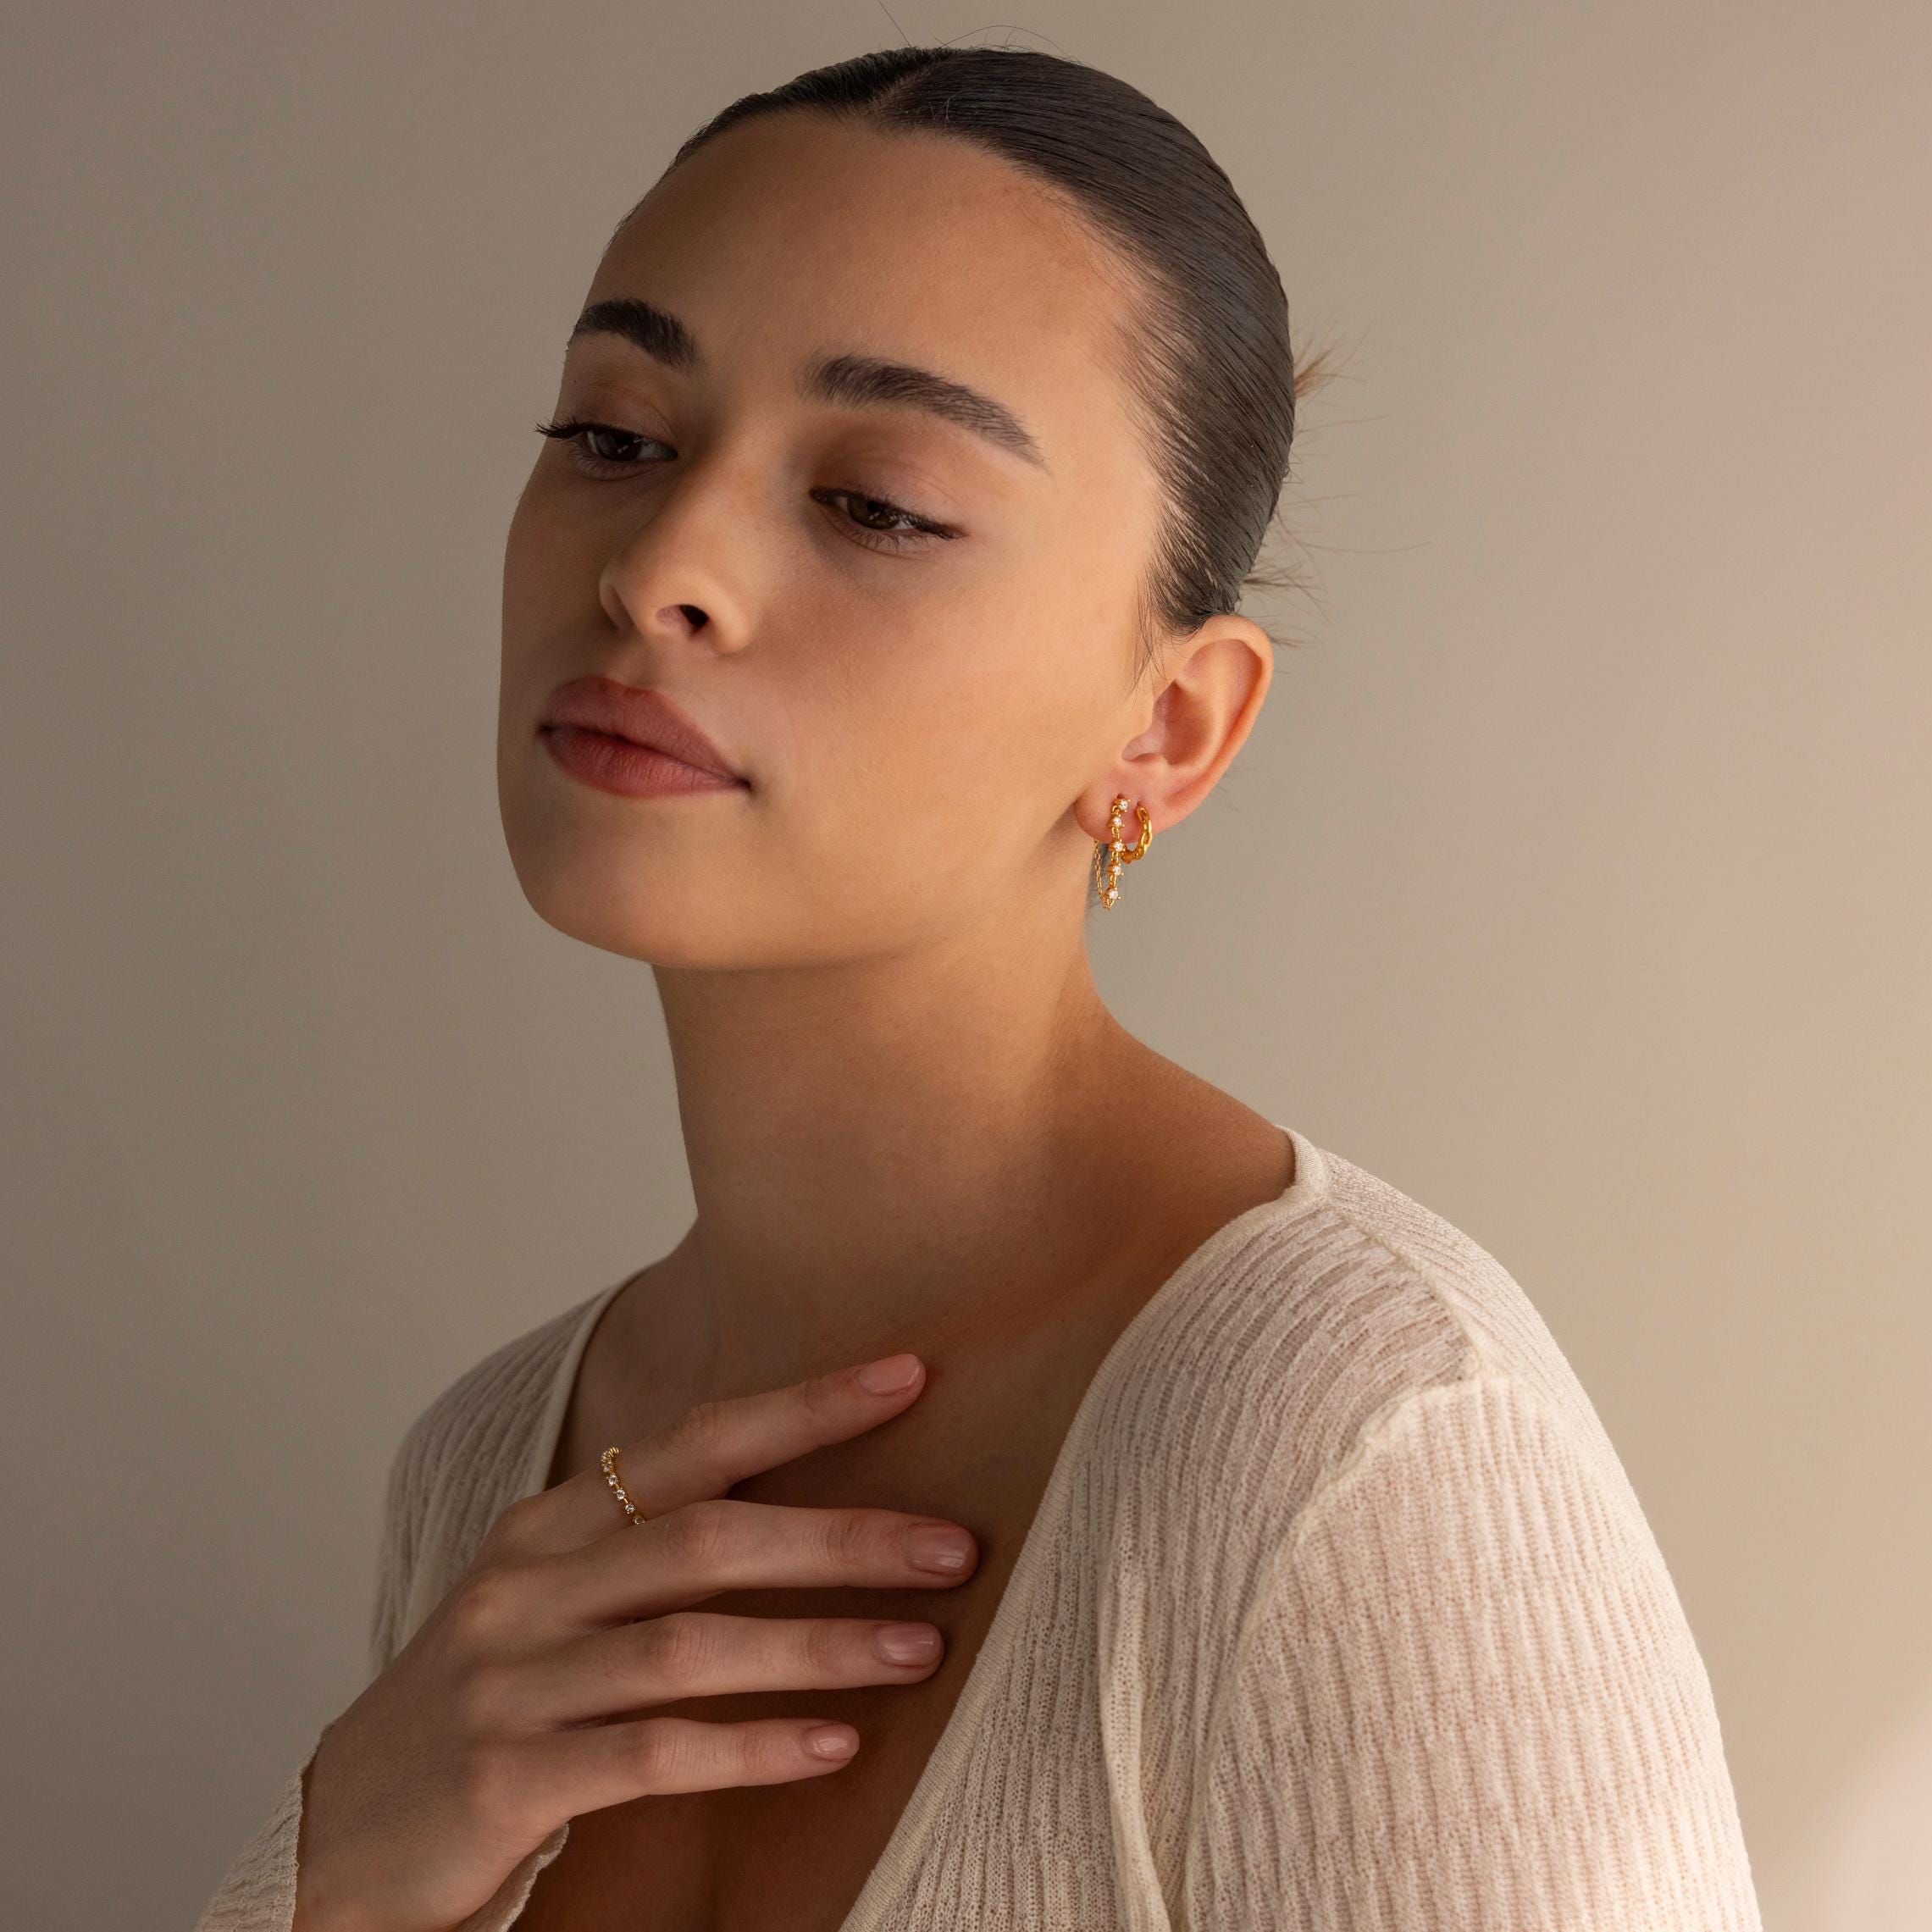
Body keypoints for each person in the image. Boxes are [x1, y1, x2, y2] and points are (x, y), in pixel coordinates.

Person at [194, 43, 1763, 1932]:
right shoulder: (490, 1474)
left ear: (1169, 729)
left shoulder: (1362, 1445)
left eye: (875, 502)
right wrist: (335, 1871)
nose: (662, 568)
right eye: (614, 434)